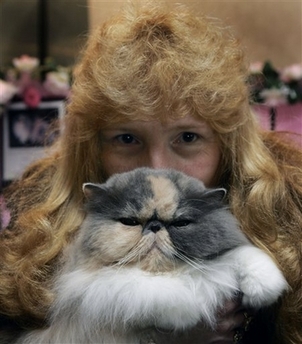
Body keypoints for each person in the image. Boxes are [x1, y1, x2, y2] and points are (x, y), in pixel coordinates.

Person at [1, 2, 302, 343]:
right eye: (127, 139)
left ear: (228, 145)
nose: (157, 168)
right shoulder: (37, 208)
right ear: (94, 148)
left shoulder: (292, 203)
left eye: (187, 138)